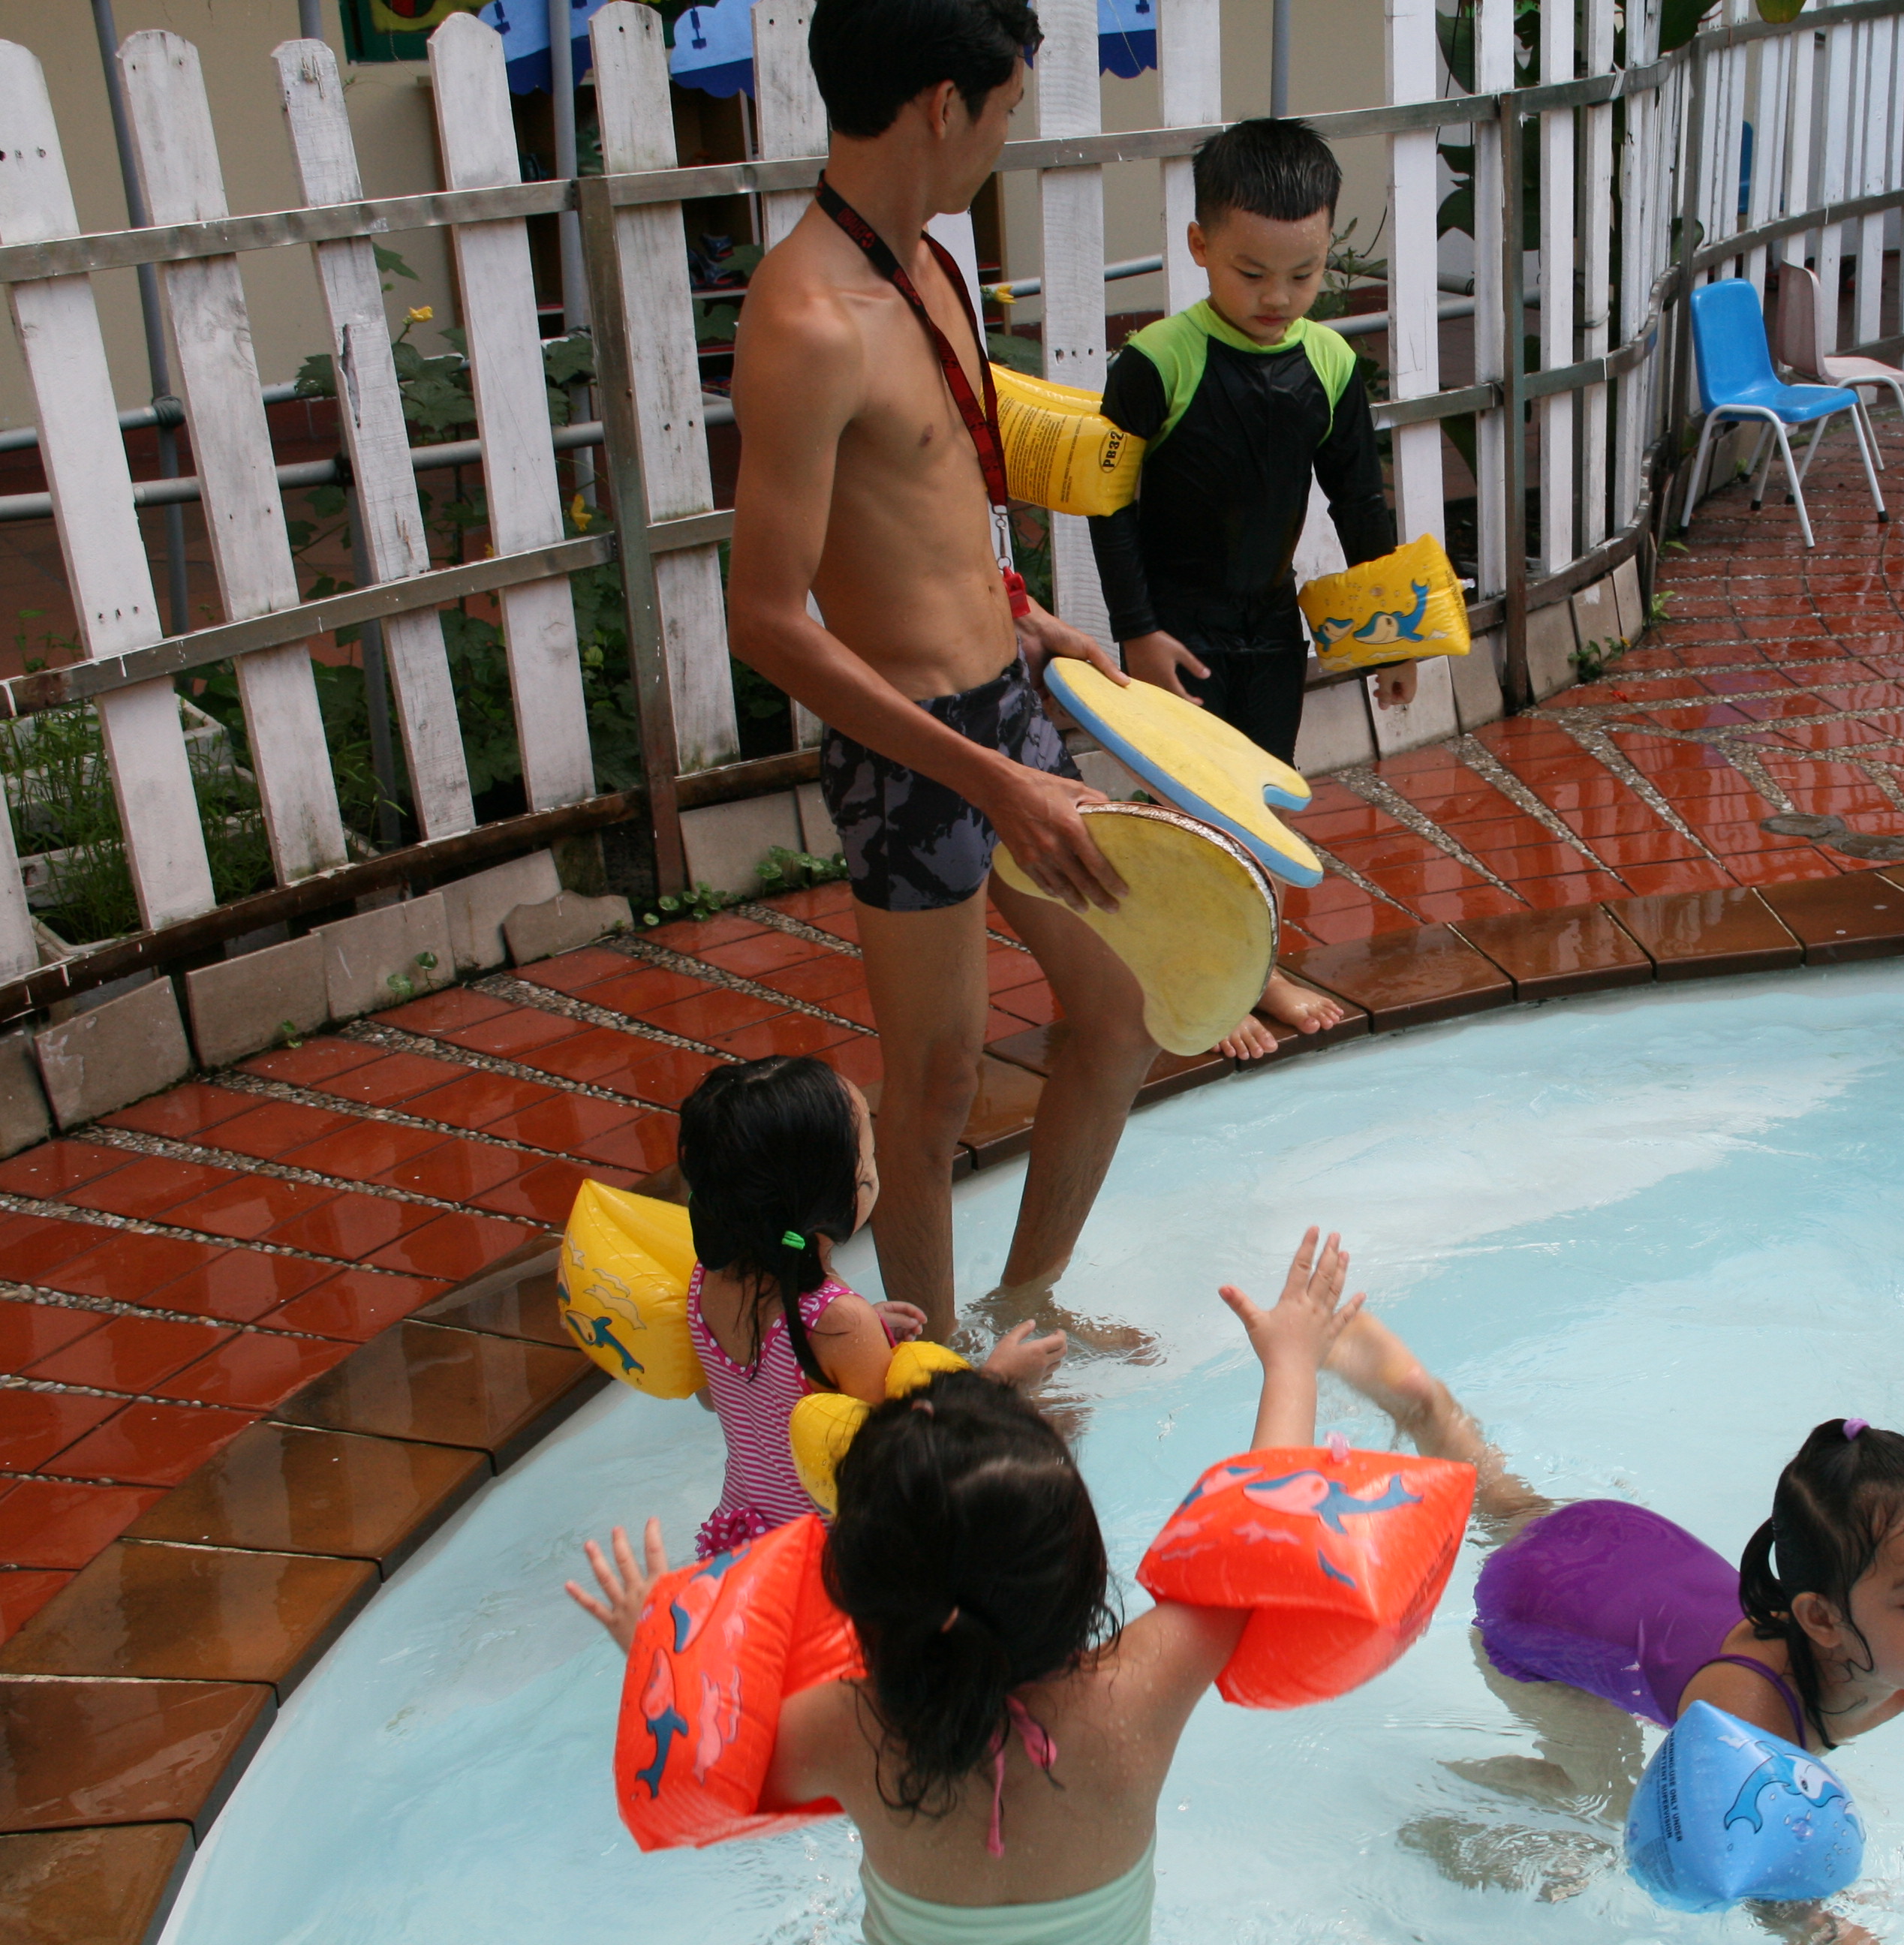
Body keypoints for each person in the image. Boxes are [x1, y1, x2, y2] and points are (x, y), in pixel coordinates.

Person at [726, 0, 1164, 1358]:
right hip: (911, 751)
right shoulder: (807, 318)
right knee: (932, 1090)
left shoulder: (928, 265)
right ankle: (933, 1382)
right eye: (1007, 108)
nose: (1006, 136)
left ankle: (1020, 1309)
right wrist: (989, 778)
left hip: (1002, 707)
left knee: (1119, 1014)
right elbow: (765, 620)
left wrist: (1024, 615)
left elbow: (936, 501)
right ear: (942, 104)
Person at [568, 1225, 1370, 1943]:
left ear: (851, 1590)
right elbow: (1261, 1531)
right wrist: (1290, 1362)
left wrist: (658, 1643)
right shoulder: (1140, 1692)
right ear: (1083, 1562)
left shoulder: (845, 1731)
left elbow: (715, 1757)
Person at [1318, 1321, 1904, 1933]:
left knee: (1514, 1510)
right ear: (1821, 1620)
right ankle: (1445, 1810)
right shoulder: (1746, 1714)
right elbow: (1755, 1875)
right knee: (1608, 1806)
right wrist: (1836, 1931)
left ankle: (1430, 1415)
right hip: (1536, 1629)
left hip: (1607, 1542)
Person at [1091, 118, 1399, 1060]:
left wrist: (1394, 641)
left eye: (1303, 276)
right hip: (1176, 629)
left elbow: (1360, 500)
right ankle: (1191, 976)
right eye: (1251, 272)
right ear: (1199, 246)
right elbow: (1107, 505)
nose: (1277, 298)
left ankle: (1251, 969)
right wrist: (1137, 630)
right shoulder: (1157, 362)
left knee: (1259, 809)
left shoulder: (1330, 365)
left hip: (1269, 622)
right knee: (1188, 816)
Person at [676, 1056, 1060, 1556]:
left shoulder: (709, 1278)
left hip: (745, 1543)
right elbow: (906, 1464)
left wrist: (846, 1345)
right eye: (869, 1154)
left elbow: (723, 1396)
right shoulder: (835, 1322)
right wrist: (999, 1383)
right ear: (842, 1190)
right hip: (829, 1558)